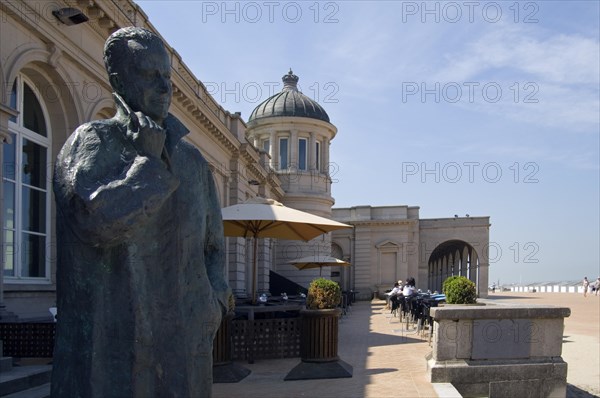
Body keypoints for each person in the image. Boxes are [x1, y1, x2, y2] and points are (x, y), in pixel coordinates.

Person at [51, 27, 231, 397]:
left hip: (184, 341)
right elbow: (95, 223)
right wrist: (147, 163)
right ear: (118, 79)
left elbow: (214, 243)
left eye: (166, 77)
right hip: (115, 344)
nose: (164, 89)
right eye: (149, 76)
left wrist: (213, 301)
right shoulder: (92, 142)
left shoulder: (193, 162)